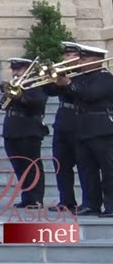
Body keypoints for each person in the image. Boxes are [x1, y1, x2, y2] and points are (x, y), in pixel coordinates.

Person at [53, 43, 113, 217]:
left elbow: (91, 94)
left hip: (101, 127)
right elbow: (61, 92)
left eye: (84, 59)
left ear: (96, 60)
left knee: (108, 169)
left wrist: (69, 83)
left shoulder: (105, 78)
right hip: (81, 128)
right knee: (87, 169)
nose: (81, 62)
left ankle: (111, 206)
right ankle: (90, 204)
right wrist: (57, 81)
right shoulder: (80, 77)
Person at [1, 57, 48, 209]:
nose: (15, 72)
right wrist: (6, 91)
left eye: (19, 69)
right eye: (13, 69)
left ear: (28, 69)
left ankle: (36, 198)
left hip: (29, 128)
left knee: (32, 165)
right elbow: (2, 105)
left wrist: (19, 95)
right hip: (11, 128)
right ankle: (27, 196)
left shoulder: (35, 83)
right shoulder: (15, 84)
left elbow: (37, 103)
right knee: (18, 165)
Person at [46, 42, 83, 213]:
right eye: (66, 55)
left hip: (79, 121)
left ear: (79, 57)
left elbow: (82, 95)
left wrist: (67, 83)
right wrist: (49, 79)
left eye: (71, 55)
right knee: (61, 164)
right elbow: (51, 92)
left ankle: (90, 202)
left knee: (84, 166)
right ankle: (66, 201)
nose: (66, 58)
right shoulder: (63, 73)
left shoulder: (86, 74)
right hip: (62, 121)